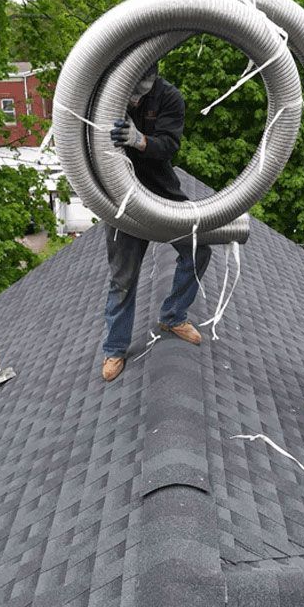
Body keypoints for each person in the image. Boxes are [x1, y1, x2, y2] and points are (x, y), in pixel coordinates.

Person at [102, 63, 211, 382]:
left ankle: (172, 315)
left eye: (142, 90)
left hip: (161, 191)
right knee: (123, 279)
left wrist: (139, 140)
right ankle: (115, 348)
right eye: (131, 89)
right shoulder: (107, 93)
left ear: (153, 78)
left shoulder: (169, 98)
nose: (134, 98)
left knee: (199, 249)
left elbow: (169, 145)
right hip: (122, 199)